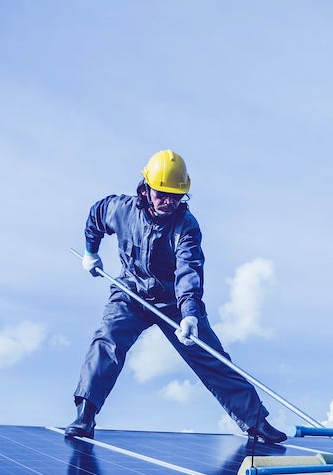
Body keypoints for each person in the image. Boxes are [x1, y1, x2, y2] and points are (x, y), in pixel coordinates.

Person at [65, 149, 287, 444]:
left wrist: (191, 314)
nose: (169, 201)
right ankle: (85, 415)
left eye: (176, 195)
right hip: (130, 294)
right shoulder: (120, 210)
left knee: (211, 356)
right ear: (146, 189)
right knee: (108, 341)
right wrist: (91, 252)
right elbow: (95, 216)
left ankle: (256, 421)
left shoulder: (187, 227)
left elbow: (188, 270)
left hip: (175, 304)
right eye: (162, 194)